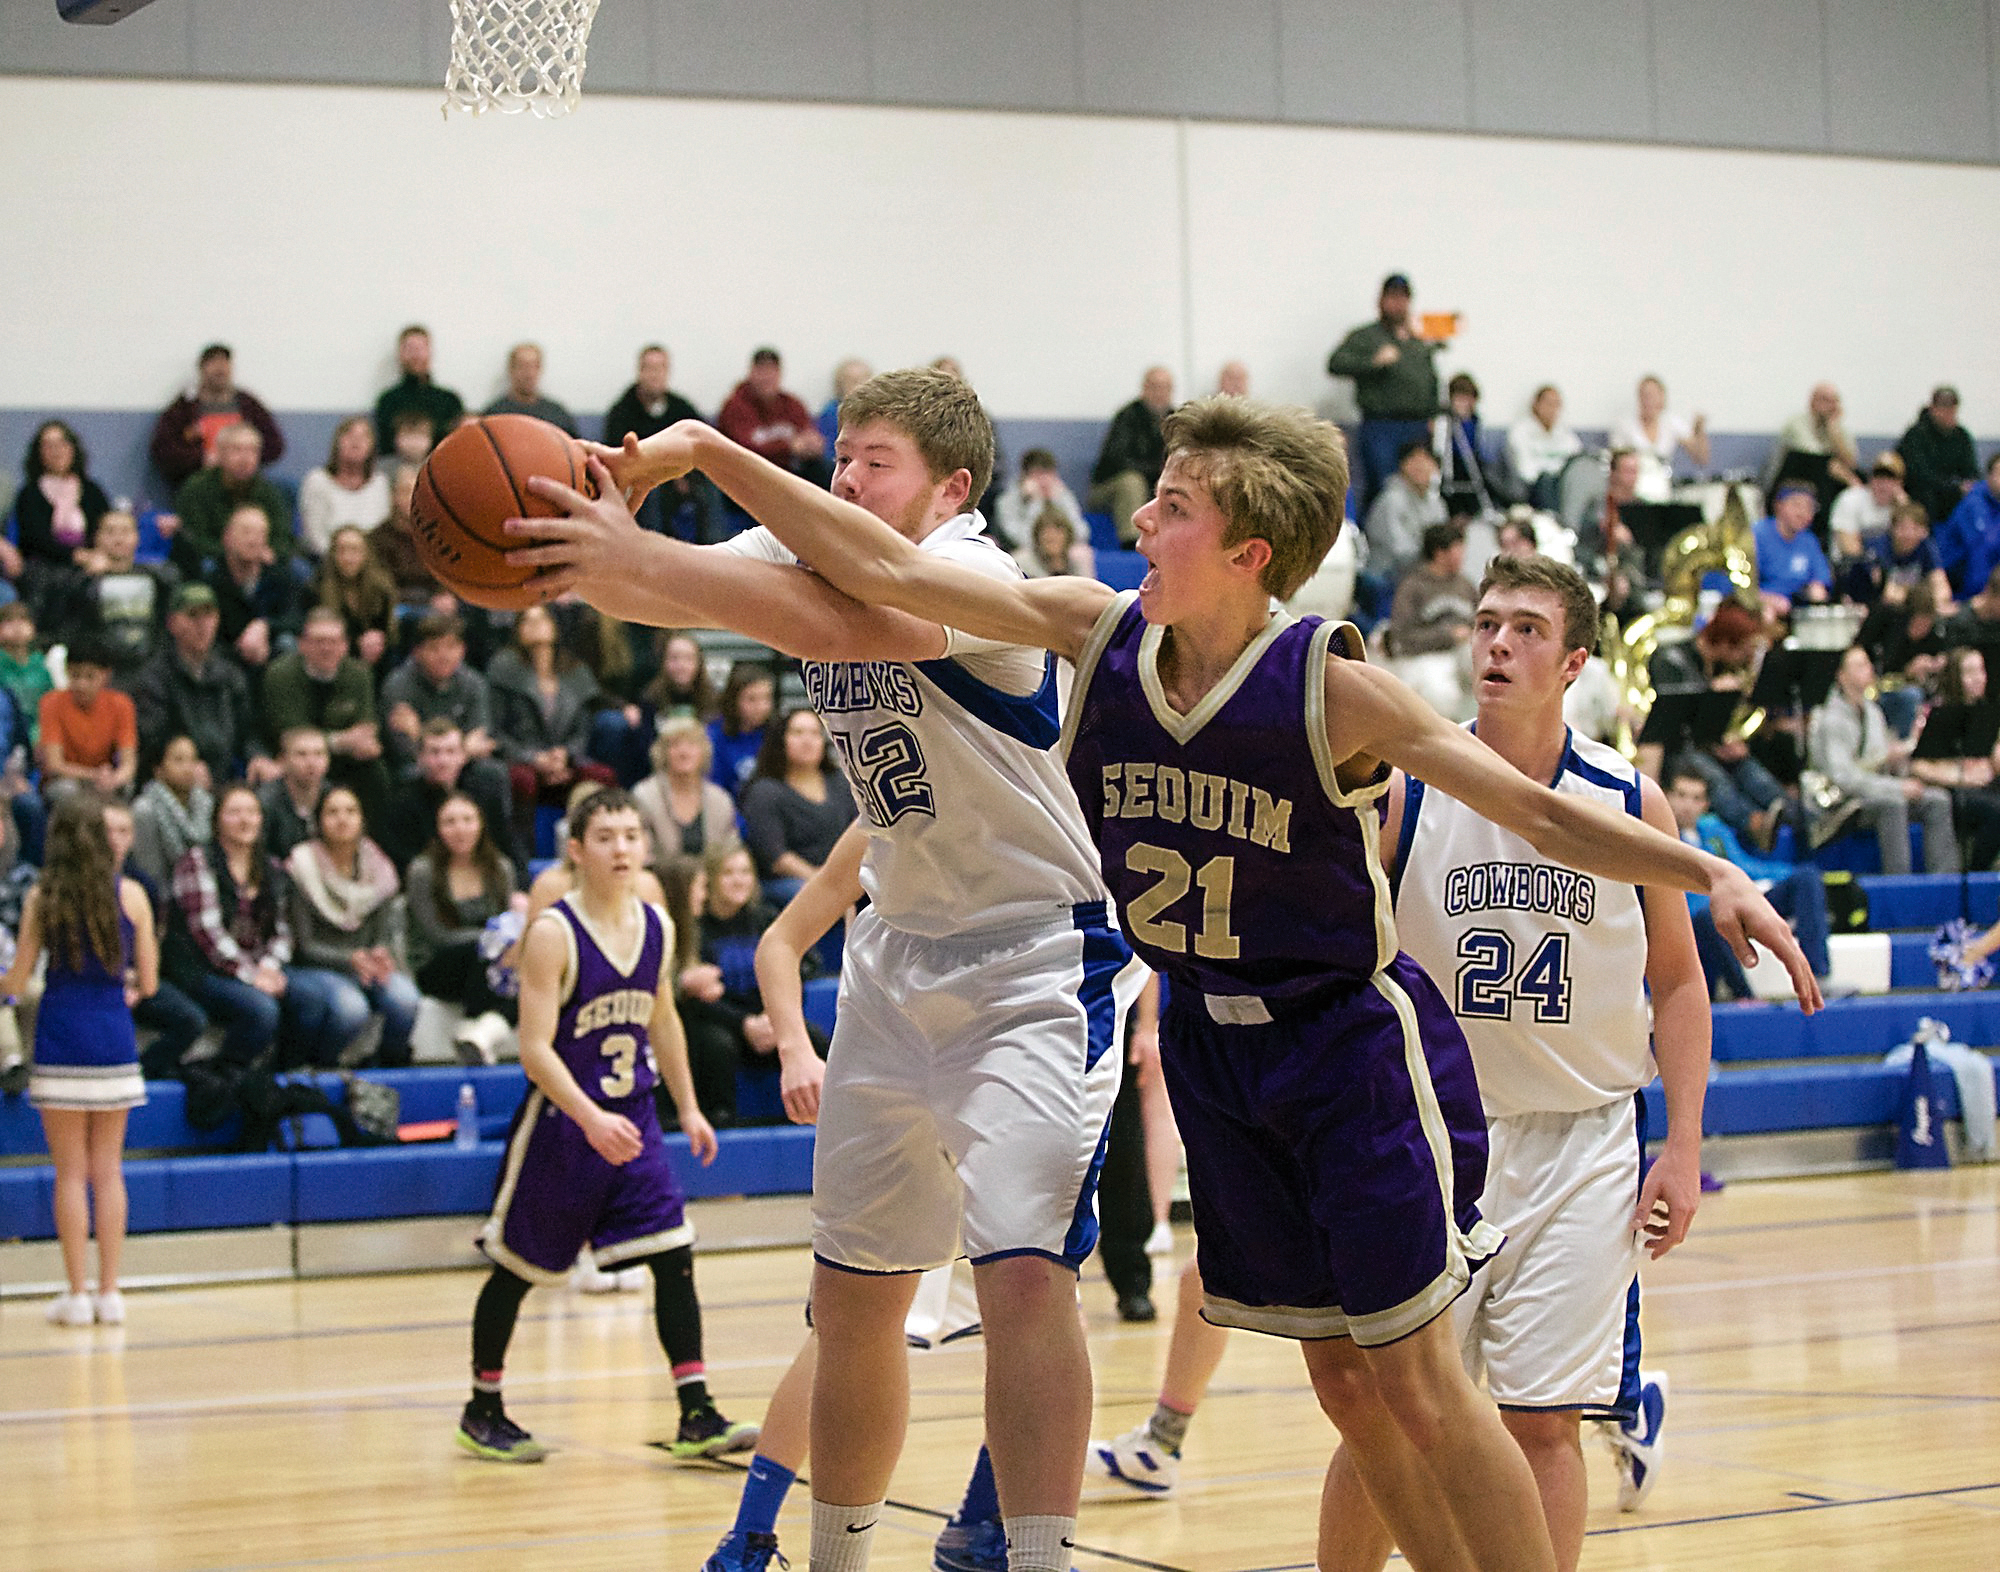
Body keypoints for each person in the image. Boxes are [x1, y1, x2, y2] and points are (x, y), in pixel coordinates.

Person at [564, 392, 1821, 1572]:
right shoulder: (1096, 628)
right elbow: (885, 573)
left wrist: (1709, 876)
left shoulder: (1332, 689)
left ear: (1249, 552)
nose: (1138, 526)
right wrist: (692, 467)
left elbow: (1538, 817)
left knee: (1420, 1385)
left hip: (1342, 1053)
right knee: (1346, 1391)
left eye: (1170, 508)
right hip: (1220, 1064)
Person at [511, 366, 1147, 1572]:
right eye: (839, 456)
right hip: (893, 957)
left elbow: (826, 621)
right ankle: (838, 1558)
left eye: (873, 462)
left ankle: (1038, 1557)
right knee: (854, 1300)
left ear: (949, 488)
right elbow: (667, 591)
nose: (845, 478)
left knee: (1018, 1279)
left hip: (1035, 961)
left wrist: (696, 448)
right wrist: (567, 542)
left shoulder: (984, 578)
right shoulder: (815, 534)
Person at [1314, 553, 1710, 1572]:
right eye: (1487, 624)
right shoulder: (1405, 788)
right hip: (1437, 1144)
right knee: (1386, 1417)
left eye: (1525, 628)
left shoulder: (1628, 800)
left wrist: (1681, 1146)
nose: (1496, 642)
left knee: (1543, 1425)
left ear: (1574, 660)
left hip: (1581, 1145)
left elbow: (1676, 980)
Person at [455, 788, 756, 1464]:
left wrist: (689, 1107)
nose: (622, 848)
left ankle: (697, 1411)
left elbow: (664, 1019)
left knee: (674, 1256)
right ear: (576, 850)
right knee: (516, 1269)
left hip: (636, 1120)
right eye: (606, 837)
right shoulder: (551, 934)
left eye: (631, 836)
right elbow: (534, 1049)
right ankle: (483, 1405)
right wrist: (589, 1118)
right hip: (564, 1128)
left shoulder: (658, 924)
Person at [2, 791, 157, 1327]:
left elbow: (17, 984)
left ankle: (75, 1294)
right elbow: (151, 980)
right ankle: (111, 1293)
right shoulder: (133, 895)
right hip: (114, 1039)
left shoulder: (42, 897)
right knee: (108, 1171)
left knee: (69, 1174)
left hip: (61, 1040)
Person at [165, 784, 347, 1070]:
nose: (245, 820)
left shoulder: (271, 867)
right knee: (261, 1009)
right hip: (203, 969)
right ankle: (227, 1077)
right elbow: (208, 935)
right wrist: (253, 976)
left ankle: (282, 1076)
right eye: (234, 812)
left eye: (252, 812)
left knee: (313, 999)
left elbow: (283, 930)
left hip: (259, 966)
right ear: (217, 820)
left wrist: (270, 968)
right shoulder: (197, 863)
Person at [1667, 769, 1835, 999]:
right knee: (1706, 916)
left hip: (1737, 904)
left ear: (1705, 804)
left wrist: (1782, 876)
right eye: (1681, 795)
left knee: (1805, 877)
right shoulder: (1663, 839)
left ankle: (1817, 976)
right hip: (1702, 915)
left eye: (1696, 798)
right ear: (1667, 796)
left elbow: (1744, 867)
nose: (1687, 805)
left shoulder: (1713, 829)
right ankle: (1744, 997)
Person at [283, 785, 419, 1068]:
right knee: (351, 1009)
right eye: (332, 812)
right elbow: (304, 946)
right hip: (316, 967)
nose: (342, 819)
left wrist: (380, 952)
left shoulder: (379, 867)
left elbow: (381, 933)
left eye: (350, 811)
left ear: (362, 819)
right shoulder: (302, 865)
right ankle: (324, 1069)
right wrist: (351, 959)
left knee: (405, 999)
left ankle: (384, 1068)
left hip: (364, 964)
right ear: (319, 820)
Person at [1807, 645, 1958, 876]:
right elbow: (1844, 778)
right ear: (1841, 676)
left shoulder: (1873, 712)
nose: (1868, 670)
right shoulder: (1830, 718)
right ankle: (1899, 884)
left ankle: (1945, 881)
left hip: (1876, 789)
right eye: (1859, 666)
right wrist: (1898, 787)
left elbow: (1878, 761)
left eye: (1867, 664)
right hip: (1840, 802)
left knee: (1937, 800)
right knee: (1893, 803)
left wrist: (1900, 757)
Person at [405, 791, 523, 1063]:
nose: (460, 829)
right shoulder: (422, 871)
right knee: (479, 949)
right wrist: (489, 939)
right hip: (436, 965)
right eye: (450, 822)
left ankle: (478, 1035)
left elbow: (506, 925)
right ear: (438, 828)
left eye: (468, 820)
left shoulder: (501, 868)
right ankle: (476, 1027)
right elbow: (435, 935)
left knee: (525, 974)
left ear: (481, 824)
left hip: (487, 964)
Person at [486, 603, 614, 852]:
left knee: (601, 776)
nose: (535, 625)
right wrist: (535, 758)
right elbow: (497, 731)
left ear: (555, 627)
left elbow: (582, 728)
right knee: (521, 781)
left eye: (542, 618)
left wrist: (565, 755)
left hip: (564, 758)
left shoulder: (576, 671)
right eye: (527, 620)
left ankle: (597, 848)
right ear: (517, 630)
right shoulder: (503, 671)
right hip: (523, 759)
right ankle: (522, 857)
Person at [102, 796, 210, 1081]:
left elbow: (153, 942)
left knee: (191, 1019)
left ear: (133, 837)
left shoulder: (143, 885)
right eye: (107, 831)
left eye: (123, 831)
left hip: (138, 979)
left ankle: (140, 1075)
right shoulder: (74, 883)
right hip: (92, 981)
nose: (114, 839)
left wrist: (138, 981)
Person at [128, 582, 273, 787]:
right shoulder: (153, 677)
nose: (202, 624)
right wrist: (186, 763)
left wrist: (258, 756)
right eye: (192, 615)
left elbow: (249, 729)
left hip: (227, 778)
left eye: (209, 615)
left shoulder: (230, 674)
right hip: (171, 781)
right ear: (172, 623)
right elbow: (153, 739)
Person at [260, 606, 391, 822]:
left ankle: (370, 836)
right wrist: (341, 740)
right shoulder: (280, 674)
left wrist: (356, 742)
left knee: (376, 772)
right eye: (319, 641)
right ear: (302, 644)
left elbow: (366, 730)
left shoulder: (359, 675)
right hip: (293, 759)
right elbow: (289, 735)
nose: (327, 648)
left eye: (334, 641)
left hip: (346, 762)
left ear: (345, 646)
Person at [1327, 273, 1441, 510]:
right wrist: (1373, 362)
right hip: (1381, 425)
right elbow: (1335, 364)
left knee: (1420, 488)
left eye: (1403, 299)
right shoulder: (1366, 336)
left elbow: (1430, 379)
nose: (1397, 304)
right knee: (1383, 487)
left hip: (1417, 426)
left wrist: (1432, 414)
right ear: (1381, 300)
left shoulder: (1417, 340)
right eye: (1392, 298)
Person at [738, 708, 856, 902]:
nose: (807, 740)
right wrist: (823, 881)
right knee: (810, 894)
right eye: (798, 733)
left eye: (814, 733)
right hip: (788, 881)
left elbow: (858, 832)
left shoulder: (841, 782)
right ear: (781, 741)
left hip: (840, 875)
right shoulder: (765, 790)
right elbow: (777, 859)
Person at [603, 344, 714, 541]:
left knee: (711, 490)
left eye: (660, 368)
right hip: (642, 480)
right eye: (649, 368)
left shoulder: (681, 408)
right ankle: (652, 557)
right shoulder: (622, 411)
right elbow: (617, 454)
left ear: (667, 372)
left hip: (681, 478)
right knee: (649, 493)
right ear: (640, 372)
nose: (655, 375)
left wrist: (685, 474)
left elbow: (702, 442)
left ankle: (716, 555)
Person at [382, 718, 514, 873]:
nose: (443, 761)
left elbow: (506, 844)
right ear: (420, 757)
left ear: (463, 756)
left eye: (450, 751)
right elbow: (404, 862)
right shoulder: (402, 803)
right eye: (434, 752)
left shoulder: (485, 793)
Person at [150, 343, 287, 491]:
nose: (220, 369)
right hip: (198, 483)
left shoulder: (248, 405)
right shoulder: (184, 407)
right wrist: (200, 459)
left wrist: (245, 458)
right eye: (213, 363)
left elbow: (275, 444)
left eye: (224, 364)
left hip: (245, 483)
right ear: (201, 368)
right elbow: (163, 450)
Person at [61, 507, 177, 675]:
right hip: (101, 670)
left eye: (125, 531)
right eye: (110, 532)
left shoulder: (158, 578)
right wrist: (88, 577)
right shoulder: (79, 581)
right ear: (96, 537)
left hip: (150, 669)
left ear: (137, 537)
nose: (118, 538)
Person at [170, 422, 296, 576]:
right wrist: (236, 553)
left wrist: (268, 552)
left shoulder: (269, 492)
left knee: (296, 569)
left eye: (252, 451)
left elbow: (283, 537)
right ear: (220, 453)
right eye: (237, 450)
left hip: (261, 559)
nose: (245, 458)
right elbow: (193, 540)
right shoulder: (196, 489)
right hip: (214, 560)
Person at [11, 420, 111, 612]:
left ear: (73, 449)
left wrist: (96, 556)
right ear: (39, 453)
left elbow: (104, 526)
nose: (57, 451)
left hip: (90, 560)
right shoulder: (30, 494)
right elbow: (35, 539)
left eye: (62, 443)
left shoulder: (91, 491)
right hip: (44, 564)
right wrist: (77, 556)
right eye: (48, 445)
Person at [381, 613, 498, 775]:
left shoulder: (474, 683)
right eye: (434, 648)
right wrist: (458, 750)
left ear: (462, 650)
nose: (443, 656)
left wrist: (420, 734)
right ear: (417, 652)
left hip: (463, 764)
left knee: (491, 772)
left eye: (451, 647)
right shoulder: (397, 685)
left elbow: (479, 737)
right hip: (417, 765)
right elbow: (402, 749)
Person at [204, 502, 302, 678]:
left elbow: (296, 618)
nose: (253, 540)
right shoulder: (212, 581)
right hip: (224, 664)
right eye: (246, 532)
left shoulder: (280, 577)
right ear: (227, 537)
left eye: (260, 533)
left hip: (272, 661)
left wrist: (264, 625)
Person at [632, 714, 741, 862]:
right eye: (675, 745)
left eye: (692, 744)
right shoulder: (644, 796)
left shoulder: (720, 799)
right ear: (663, 753)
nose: (684, 752)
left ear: (704, 751)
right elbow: (642, 855)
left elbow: (730, 853)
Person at [38, 641, 138, 801]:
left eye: (90, 676)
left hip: (105, 779)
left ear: (106, 675)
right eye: (75, 675)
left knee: (127, 786)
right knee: (66, 790)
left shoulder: (121, 704)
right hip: (69, 780)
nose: (81, 685)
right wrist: (94, 775)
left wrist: (114, 778)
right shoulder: (51, 703)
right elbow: (54, 764)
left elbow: (129, 764)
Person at [716, 347, 826, 487]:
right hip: (748, 476)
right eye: (761, 371)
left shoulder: (792, 404)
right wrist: (788, 447)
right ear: (751, 373)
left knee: (823, 469)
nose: (767, 377)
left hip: (789, 472)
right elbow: (743, 451)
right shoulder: (735, 407)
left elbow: (807, 433)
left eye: (772, 371)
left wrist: (812, 444)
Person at [1088, 365, 1175, 544]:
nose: (1160, 393)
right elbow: (1116, 460)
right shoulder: (1127, 417)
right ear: (1144, 388)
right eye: (1155, 387)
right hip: (1110, 485)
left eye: (1165, 387)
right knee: (1132, 482)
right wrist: (1156, 471)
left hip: (1156, 483)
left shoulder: (1176, 420)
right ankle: (1131, 541)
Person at [130, 734, 213, 888]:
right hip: (162, 894)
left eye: (193, 760)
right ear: (158, 769)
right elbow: (148, 871)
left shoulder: (206, 803)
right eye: (179, 760)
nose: (188, 768)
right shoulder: (144, 809)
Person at [1610, 376, 1709, 501]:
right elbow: (1616, 462)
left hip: (1662, 485)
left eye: (1652, 395)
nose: (1648, 401)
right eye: (1644, 395)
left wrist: (1699, 430)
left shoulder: (1671, 422)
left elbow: (1701, 458)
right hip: (1632, 486)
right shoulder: (1625, 425)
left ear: (1662, 397)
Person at [313, 524, 398, 670]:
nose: (348, 557)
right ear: (333, 554)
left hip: (376, 655)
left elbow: (391, 632)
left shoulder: (381, 587)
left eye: (354, 550)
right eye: (342, 550)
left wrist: (377, 639)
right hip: (334, 655)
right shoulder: (317, 587)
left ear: (366, 553)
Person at [373, 324, 464, 457]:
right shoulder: (388, 400)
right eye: (409, 348)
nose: (415, 355)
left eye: (420, 348)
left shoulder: (449, 400)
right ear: (400, 354)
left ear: (430, 351)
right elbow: (385, 448)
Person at [1362, 438, 1444, 584]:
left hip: (1421, 574)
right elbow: (1399, 552)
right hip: (1387, 575)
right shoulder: (1391, 500)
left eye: (1426, 461)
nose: (1421, 467)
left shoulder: (1437, 504)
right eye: (1414, 460)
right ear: (1402, 466)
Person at [1898, 385, 1980, 529]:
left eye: (1951, 408)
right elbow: (1918, 475)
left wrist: (1969, 484)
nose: (1948, 412)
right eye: (1943, 407)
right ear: (1933, 408)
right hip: (1924, 492)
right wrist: (1953, 486)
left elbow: (1971, 469)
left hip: (1953, 492)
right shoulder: (1916, 435)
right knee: (1926, 497)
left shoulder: (1961, 436)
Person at [1754, 481, 1834, 618]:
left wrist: (1817, 589)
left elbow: (1820, 578)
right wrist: (1769, 599)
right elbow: (1741, 585)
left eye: (1809, 507)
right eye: (1796, 505)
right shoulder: (1757, 535)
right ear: (1778, 506)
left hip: (1797, 604)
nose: (1803, 513)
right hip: (1763, 601)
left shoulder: (1809, 540)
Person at [994, 448, 1085, 555]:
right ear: (1024, 476)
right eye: (1038, 474)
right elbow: (1022, 541)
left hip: (1060, 554)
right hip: (1028, 554)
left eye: (1049, 474)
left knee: (1081, 553)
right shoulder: (1006, 501)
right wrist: (1035, 503)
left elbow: (1081, 533)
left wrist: (1057, 501)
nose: (1044, 481)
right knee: (1023, 555)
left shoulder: (1062, 495)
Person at [706, 661, 776, 798]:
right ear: (734, 700)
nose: (761, 707)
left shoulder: (776, 734)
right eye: (752, 699)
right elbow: (714, 789)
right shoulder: (715, 736)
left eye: (766, 698)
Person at [1506, 386, 1581, 511]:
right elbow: (1526, 471)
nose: (1552, 409)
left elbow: (1577, 460)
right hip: (1533, 487)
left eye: (1556, 405)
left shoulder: (1564, 432)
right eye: (1548, 403)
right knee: (1546, 481)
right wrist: (1553, 471)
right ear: (1536, 405)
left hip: (1563, 485)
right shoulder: (1521, 432)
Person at [1936, 452, 2000, 599]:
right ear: (1989, 476)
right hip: (1961, 589)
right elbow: (1980, 553)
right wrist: (1982, 598)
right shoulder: (1974, 504)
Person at [483, 342, 578, 435]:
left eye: (534, 366)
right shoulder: (495, 414)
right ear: (511, 369)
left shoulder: (557, 413)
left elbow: (575, 447)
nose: (529, 374)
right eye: (522, 366)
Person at [1015, 509, 1095, 580]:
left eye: (1058, 532)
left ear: (1068, 536)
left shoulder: (1079, 560)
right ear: (1037, 538)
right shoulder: (1023, 561)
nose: (1052, 537)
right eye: (1046, 533)